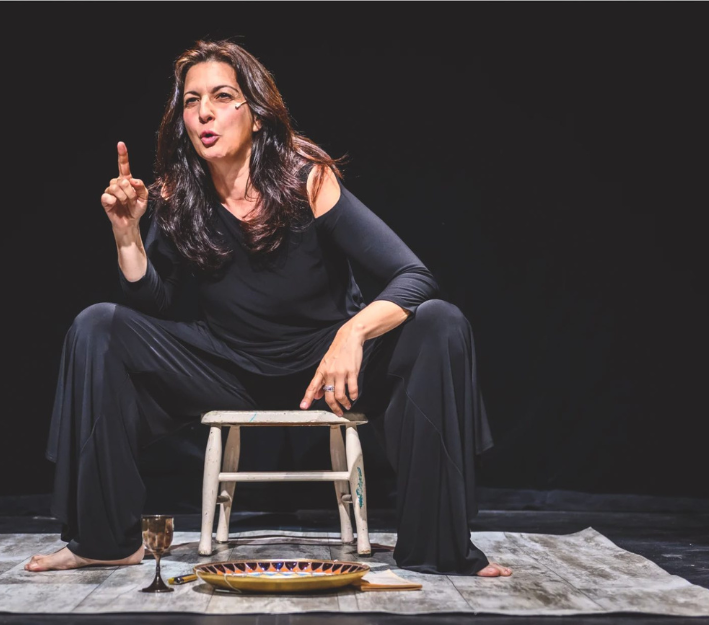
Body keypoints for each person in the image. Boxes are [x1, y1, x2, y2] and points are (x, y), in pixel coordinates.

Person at [26, 38, 511, 577]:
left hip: (327, 371)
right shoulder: (179, 194)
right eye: (191, 100)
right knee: (97, 325)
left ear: (255, 114)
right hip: (226, 369)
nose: (204, 112)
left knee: (440, 322)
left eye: (222, 96)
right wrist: (127, 235)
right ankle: (104, 539)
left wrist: (352, 333)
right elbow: (155, 303)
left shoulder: (308, 179)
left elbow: (413, 276)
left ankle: (438, 546)